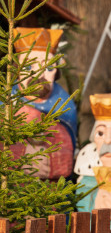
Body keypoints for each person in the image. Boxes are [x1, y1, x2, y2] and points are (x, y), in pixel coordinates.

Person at [11, 28, 77, 179]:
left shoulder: (63, 105)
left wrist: (50, 161)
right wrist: (21, 157)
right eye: (29, 67)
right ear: (17, 70)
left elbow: (67, 154)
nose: (39, 75)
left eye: (48, 67)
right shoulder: (7, 102)